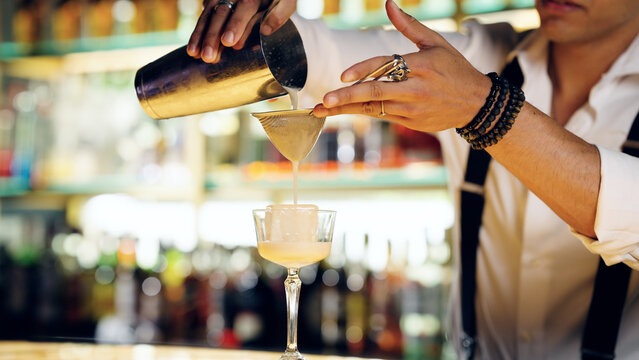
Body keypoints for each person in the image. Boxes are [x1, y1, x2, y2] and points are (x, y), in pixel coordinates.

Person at [188, 0, 639, 358]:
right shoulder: (482, 55)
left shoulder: (479, 75)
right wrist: (265, 22)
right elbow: (325, 55)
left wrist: (485, 107)